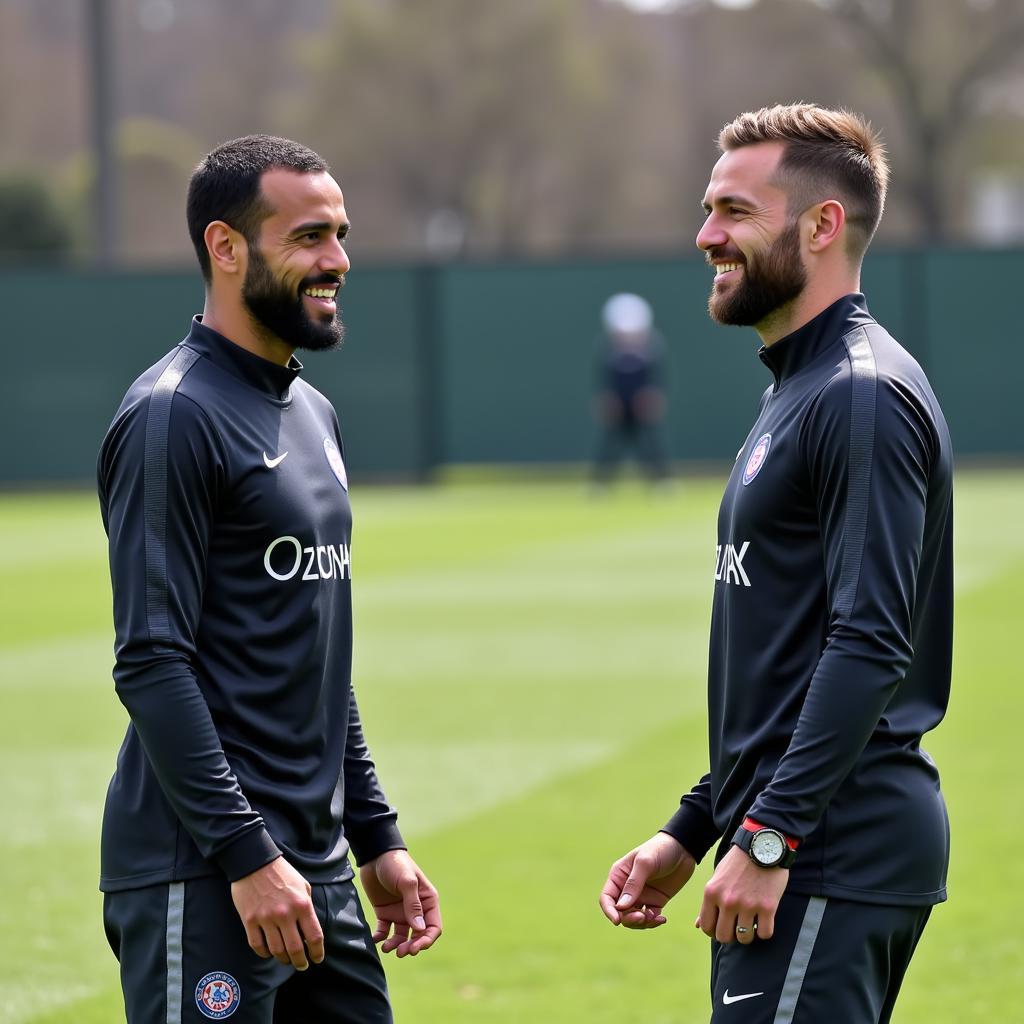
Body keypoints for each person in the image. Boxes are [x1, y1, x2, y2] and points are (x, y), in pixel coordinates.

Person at [600, 104, 953, 1023]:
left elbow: (871, 642)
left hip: (827, 852)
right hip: (798, 845)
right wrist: (695, 829)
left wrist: (767, 839)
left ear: (822, 224)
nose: (705, 234)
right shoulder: (800, 385)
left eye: (733, 212)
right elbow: (787, 667)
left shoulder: (858, 394)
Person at [97, 135, 441, 1023]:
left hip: (317, 869)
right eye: (309, 238)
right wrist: (246, 858)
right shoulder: (172, 416)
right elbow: (150, 662)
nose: (338, 261)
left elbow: (317, 656)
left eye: (341, 234)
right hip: (208, 871)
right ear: (226, 247)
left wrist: (376, 836)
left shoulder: (312, 412)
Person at [591, 293, 670, 486]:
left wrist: (650, 400)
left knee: (650, 443)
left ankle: (660, 481)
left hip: (640, 406)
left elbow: (655, 382)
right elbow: (605, 382)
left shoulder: (651, 350)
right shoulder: (609, 351)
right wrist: (609, 402)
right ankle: (600, 483)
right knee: (610, 444)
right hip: (620, 405)